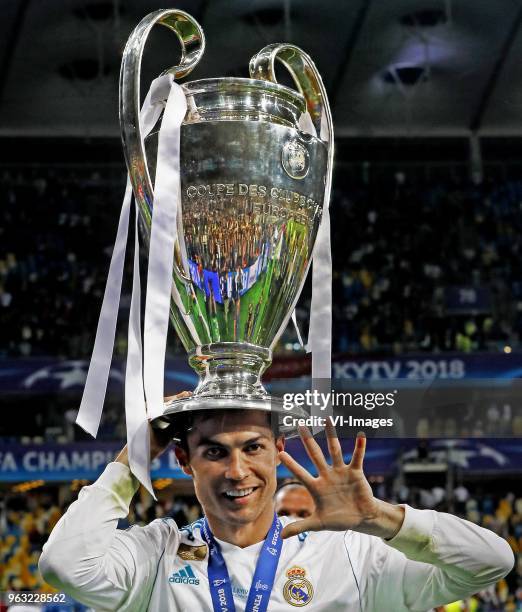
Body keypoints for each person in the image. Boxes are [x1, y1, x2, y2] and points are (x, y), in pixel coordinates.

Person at [39, 396, 514, 611]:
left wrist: (380, 519)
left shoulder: (350, 554)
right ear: (184, 460)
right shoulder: (158, 552)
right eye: (214, 452)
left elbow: (491, 561)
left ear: (278, 449)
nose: (237, 471)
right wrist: (132, 460)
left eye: (252, 447)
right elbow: (63, 567)